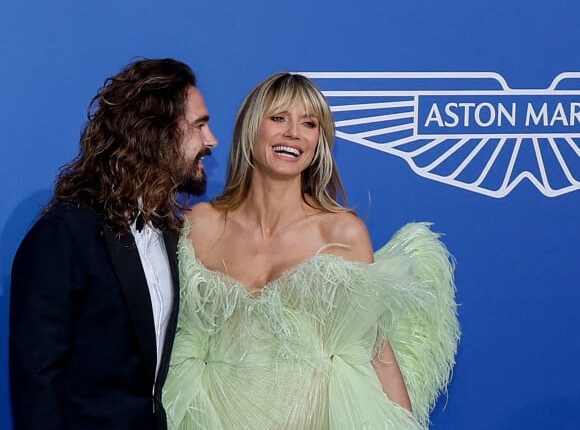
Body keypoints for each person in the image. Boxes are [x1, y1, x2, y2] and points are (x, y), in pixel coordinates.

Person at [163, 72, 459, 429]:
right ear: (250, 129)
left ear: (319, 141)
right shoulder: (201, 225)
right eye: (278, 118)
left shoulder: (342, 233)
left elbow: (376, 349)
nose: (293, 133)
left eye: (309, 123)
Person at [9, 58, 218, 430]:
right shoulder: (65, 234)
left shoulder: (171, 235)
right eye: (200, 125)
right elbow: (36, 381)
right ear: (157, 132)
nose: (211, 140)